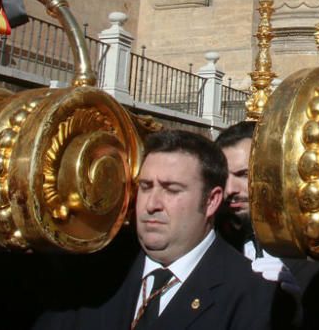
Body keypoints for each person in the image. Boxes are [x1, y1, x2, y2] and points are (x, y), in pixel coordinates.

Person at [35, 130, 277, 329]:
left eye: (172, 189)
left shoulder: (255, 298)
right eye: (146, 186)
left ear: (211, 201)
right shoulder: (91, 276)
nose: (152, 205)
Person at [215, 122, 318, 296]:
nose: (230, 189)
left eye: (244, 174)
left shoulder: (318, 251)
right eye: (223, 177)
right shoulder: (209, 244)